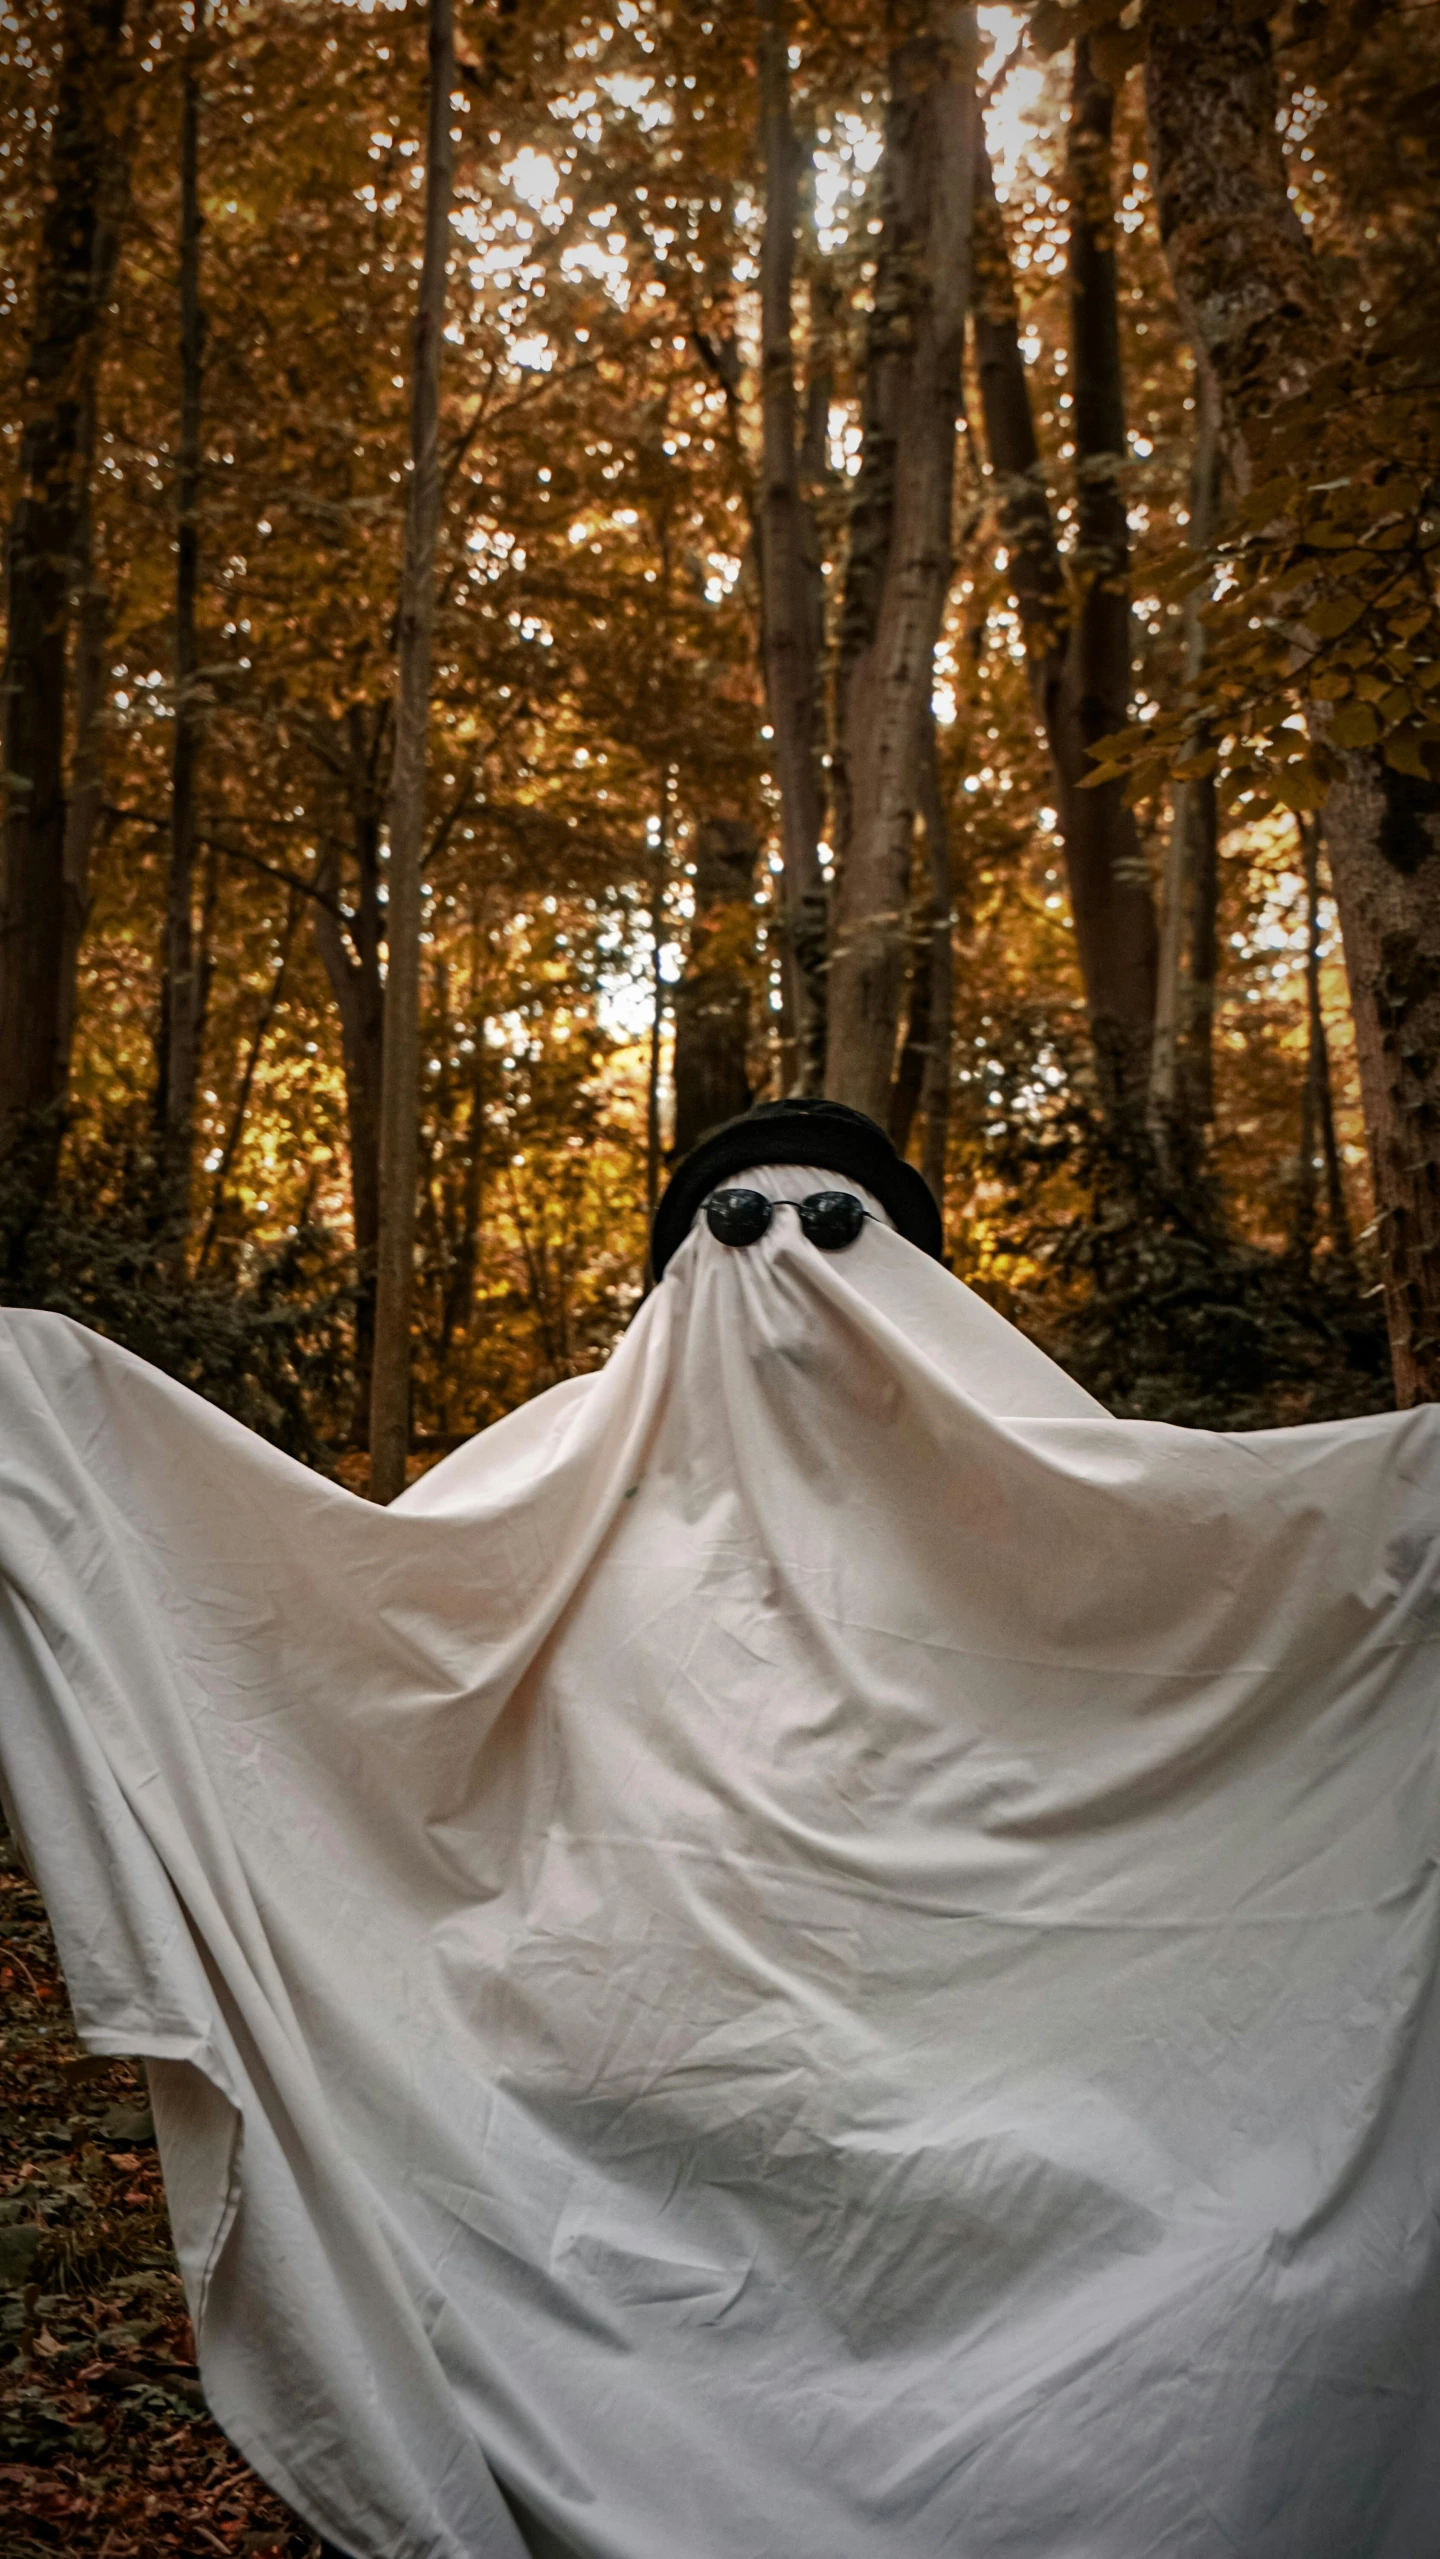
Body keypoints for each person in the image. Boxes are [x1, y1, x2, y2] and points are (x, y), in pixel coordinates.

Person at [3, 1096, 1440, 2559]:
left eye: (836, 1237)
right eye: (739, 1233)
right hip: (615, 2148)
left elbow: (1262, 1575)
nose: (788, 1279)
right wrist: (52, 1425)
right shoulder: (553, 1491)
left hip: (986, 2146)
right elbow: (348, 1634)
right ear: (685, 1269)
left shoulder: (1049, 1511)